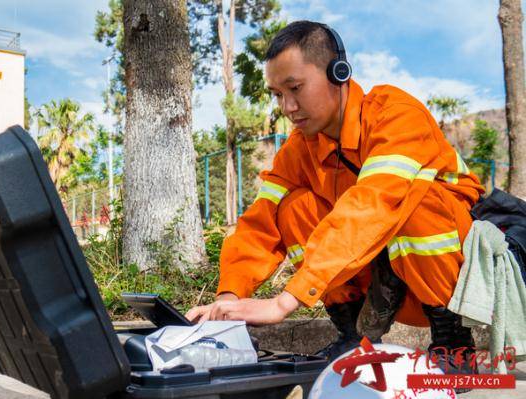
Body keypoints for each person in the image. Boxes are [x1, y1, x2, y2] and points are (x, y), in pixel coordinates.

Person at [185, 21, 484, 371]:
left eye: (295, 88)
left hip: (448, 280)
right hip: (372, 276)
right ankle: (354, 337)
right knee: (291, 208)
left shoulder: (396, 115)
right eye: (278, 94)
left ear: (338, 73)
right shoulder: (298, 149)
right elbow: (259, 222)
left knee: (416, 200)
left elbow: (374, 204)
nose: (288, 106)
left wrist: (284, 302)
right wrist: (228, 299)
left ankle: (453, 345)